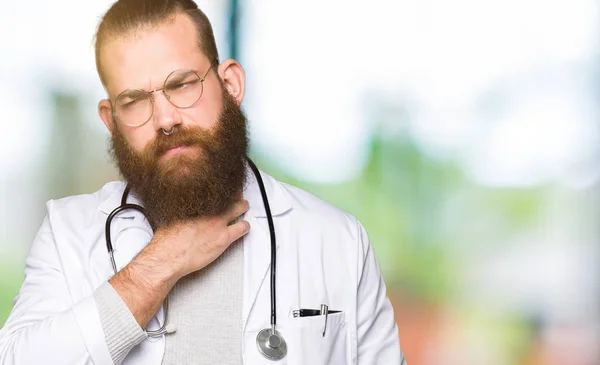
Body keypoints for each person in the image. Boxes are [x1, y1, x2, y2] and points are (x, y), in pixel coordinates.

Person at [0, 0, 406, 364]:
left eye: (181, 84)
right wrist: (159, 263)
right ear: (111, 121)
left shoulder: (337, 241)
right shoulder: (67, 233)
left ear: (230, 85)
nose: (165, 119)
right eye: (134, 101)